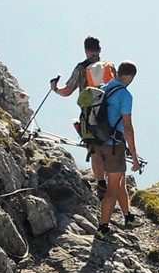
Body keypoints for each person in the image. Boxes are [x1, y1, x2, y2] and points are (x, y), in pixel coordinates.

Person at [50, 36, 115, 198]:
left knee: (94, 150)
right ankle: (113, 181)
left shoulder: (80, 68)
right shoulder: (110, 66)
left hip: (89, 115)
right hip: (110, 113)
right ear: (100, 49)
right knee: (110, 147)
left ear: (85, 50)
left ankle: (101, 186)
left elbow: (68, 91)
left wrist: (55, 88)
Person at [93, 61, 145, 238]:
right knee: (113, 188)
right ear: (130, 76)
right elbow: (128, 127)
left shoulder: (104, 88)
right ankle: (103, 229)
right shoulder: (125, 95)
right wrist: (135, 157)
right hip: (113, 145)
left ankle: (128, 216)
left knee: (120, 180)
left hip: (97, 142)